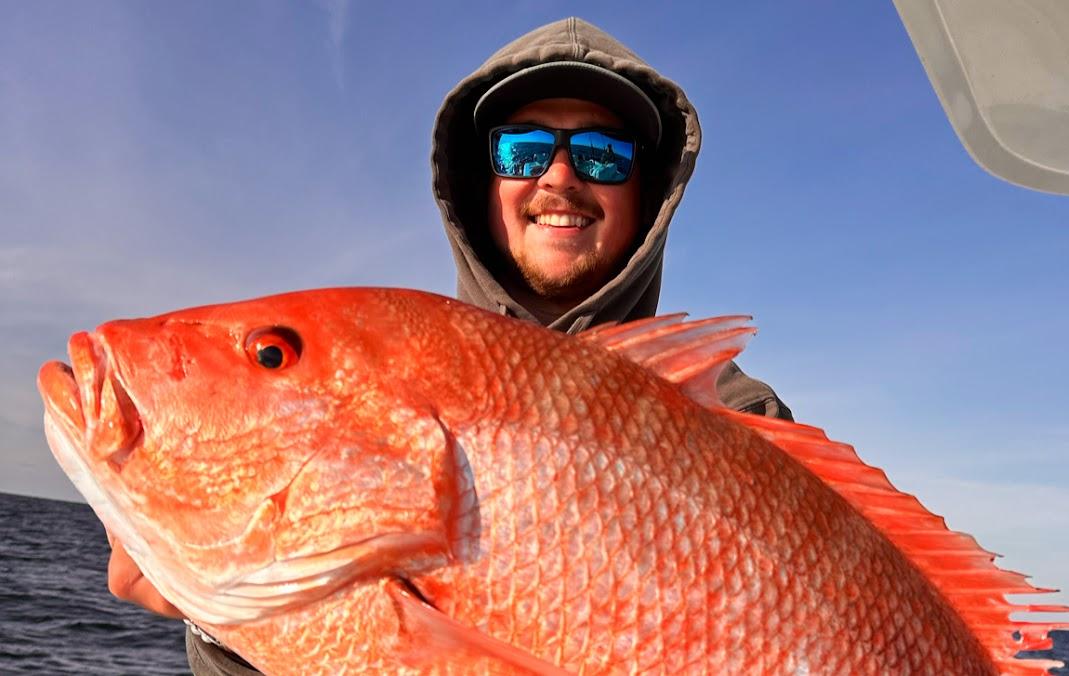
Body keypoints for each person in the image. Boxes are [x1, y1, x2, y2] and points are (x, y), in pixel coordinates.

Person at [108, 17, 792, 674]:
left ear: (647, 194)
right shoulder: (402, 361)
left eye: (603, 155)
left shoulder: (742, 419)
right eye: (522, 149)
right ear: (481, 183)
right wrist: (226, 625)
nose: (560, 177)